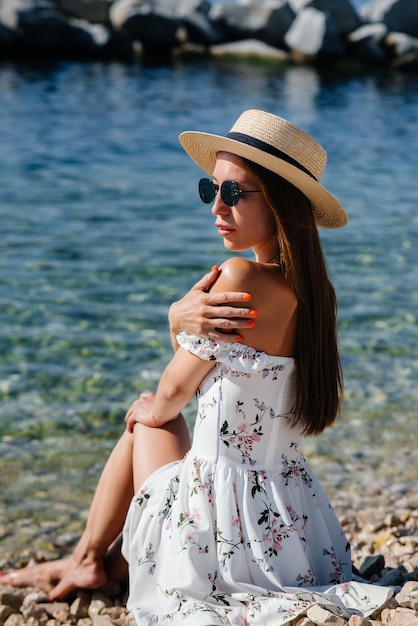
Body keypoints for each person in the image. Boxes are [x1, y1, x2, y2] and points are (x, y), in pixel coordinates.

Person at [2, 110, 393, 624]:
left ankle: (85, 561)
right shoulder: (316, 295)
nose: (217, 206)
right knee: (158, 418)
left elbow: (170, 393)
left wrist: (173, 320)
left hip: (216, 520)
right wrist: (181, 326)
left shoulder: (240, 276)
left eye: (234, 194)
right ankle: (89, 560)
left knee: (150, 417)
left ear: (278, 202)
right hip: (288, 520)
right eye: (210, 190)